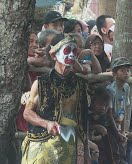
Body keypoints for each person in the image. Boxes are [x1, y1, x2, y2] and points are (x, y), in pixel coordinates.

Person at [22, 35, 89, 163]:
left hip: (69, 145)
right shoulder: (42, 83)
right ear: (54, 55)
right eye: (66, 50)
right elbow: (27, 113)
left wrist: (83, 153)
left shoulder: (80, 84)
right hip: (42, 145)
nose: (70, 55)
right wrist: (46, 123)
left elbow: (83, 120)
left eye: (74, 51)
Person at [107, 57, 132, 163]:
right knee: (114, 154)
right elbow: (109, 114)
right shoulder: (110, 89)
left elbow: (125, 109)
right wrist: (117, 133)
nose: (126, 73)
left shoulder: (126, 87)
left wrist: (123, 130)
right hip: (110, 125)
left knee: (122, 152)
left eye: (128, 70)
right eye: (122, 70)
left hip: (119, 123)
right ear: (115, 74)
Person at [89, 85, 120, 164]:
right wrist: (95, 127)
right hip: (93, 151)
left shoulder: (106, 116)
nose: (103, 108)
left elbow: (112, 130)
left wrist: (118, 134)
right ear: (93, 101)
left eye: (106, 106)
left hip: (106, 152)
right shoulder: (87, 114)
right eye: (100, 104)